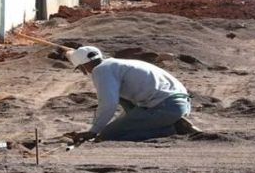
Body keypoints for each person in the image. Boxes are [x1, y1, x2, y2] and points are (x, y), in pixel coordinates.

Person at [65, 46, 198, 143]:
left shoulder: (101, 70)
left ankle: (171, 129)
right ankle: (169, 121)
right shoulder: (117, 64)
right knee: (120, 105)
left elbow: (108, 103)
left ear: (82, 67)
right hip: (179, 103)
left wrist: (94, 131)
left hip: (165, 107)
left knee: (109, 135)